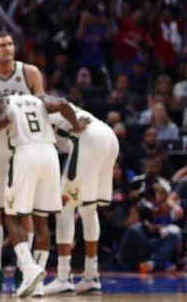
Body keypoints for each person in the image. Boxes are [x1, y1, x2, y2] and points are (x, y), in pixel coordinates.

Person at [0, 94, 85, 297]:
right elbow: (62, 104)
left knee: (12, 216)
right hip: (50, 156)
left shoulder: (6, 103)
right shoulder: (38, 99)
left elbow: (5, 117)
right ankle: (37, 284)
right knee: (40, 219)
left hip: (26, 153)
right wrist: (75, 125)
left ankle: (28, 268)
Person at [0, 31, 45, 293]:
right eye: (1, 45)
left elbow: (42, 106)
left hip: (22, 148)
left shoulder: (30, 73)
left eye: (11, 44)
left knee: (22, 211)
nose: (7, 48)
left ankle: (22, 269)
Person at [44, 104, 119, 294]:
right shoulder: (46, 104)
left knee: (63, 207)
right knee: (88, 209)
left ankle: (63, 277)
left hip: (88, 139)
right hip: (108, 136)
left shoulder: (35, 109)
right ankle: (91, 276)